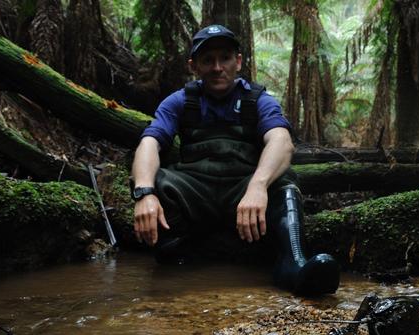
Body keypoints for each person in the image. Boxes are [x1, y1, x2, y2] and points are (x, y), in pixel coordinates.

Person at [130, 24, 339, 295]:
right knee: (157, 181)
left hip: (242, 192)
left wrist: (258, 185)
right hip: (196, 192)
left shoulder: (258, 100)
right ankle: (175, 261)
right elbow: (149, 143)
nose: (217, 67)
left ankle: (294, 263)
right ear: (194, 66)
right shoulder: (179, 101)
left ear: (238, 61)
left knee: (284, 181)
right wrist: (144, 192)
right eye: (208, 60)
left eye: (225, 58)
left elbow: (281, 142)